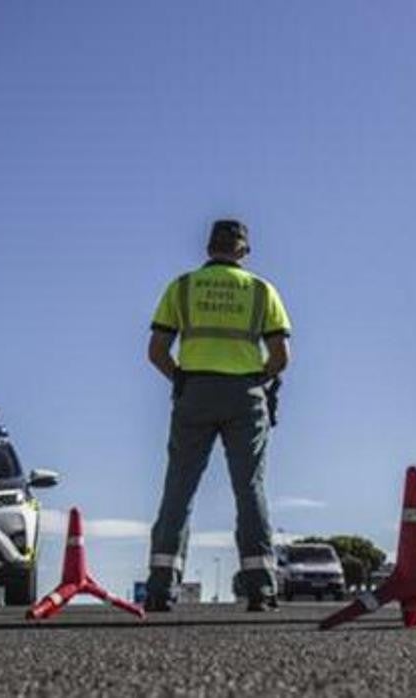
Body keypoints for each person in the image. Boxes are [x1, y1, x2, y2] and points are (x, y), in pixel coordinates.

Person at [145, 219, 291, 612]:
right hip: (246, 395)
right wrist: (258, 379)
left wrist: (181, 379)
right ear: (244, 249)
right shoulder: (262, 291)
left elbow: (157, 349)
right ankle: (260, 587)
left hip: (195, 392)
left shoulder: (183, 287)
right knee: (249, 488)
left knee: (179, 487)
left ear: (209, 248)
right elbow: (281, 356)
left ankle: (161, 586)